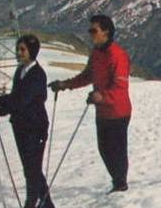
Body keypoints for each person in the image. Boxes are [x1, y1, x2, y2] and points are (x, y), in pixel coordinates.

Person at [50, 14, 132, 194]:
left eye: (93, 30)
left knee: (116, 150)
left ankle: (120, 185)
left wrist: (101, 97)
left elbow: (120, 87)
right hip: (102, 111)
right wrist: (65, 85)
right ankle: (118, 183)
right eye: (90, 30)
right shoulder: (96, 53)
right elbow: (87, 76)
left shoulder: (117, 55)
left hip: (118, 111)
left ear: (106, 32)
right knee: (104, 149)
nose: (90, 34)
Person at [0, 34, 56, 208]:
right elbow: (16, 98)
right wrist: (0, 110)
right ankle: (43, 206)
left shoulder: (37, 74)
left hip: (35, 126)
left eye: (23, 49)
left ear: (32, 51)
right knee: (30, 167)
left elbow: (22, 100)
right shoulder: (20, 71)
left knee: (33, 167)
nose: (19, 53)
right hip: (22, 125)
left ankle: (35, 207)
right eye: (18, 49)